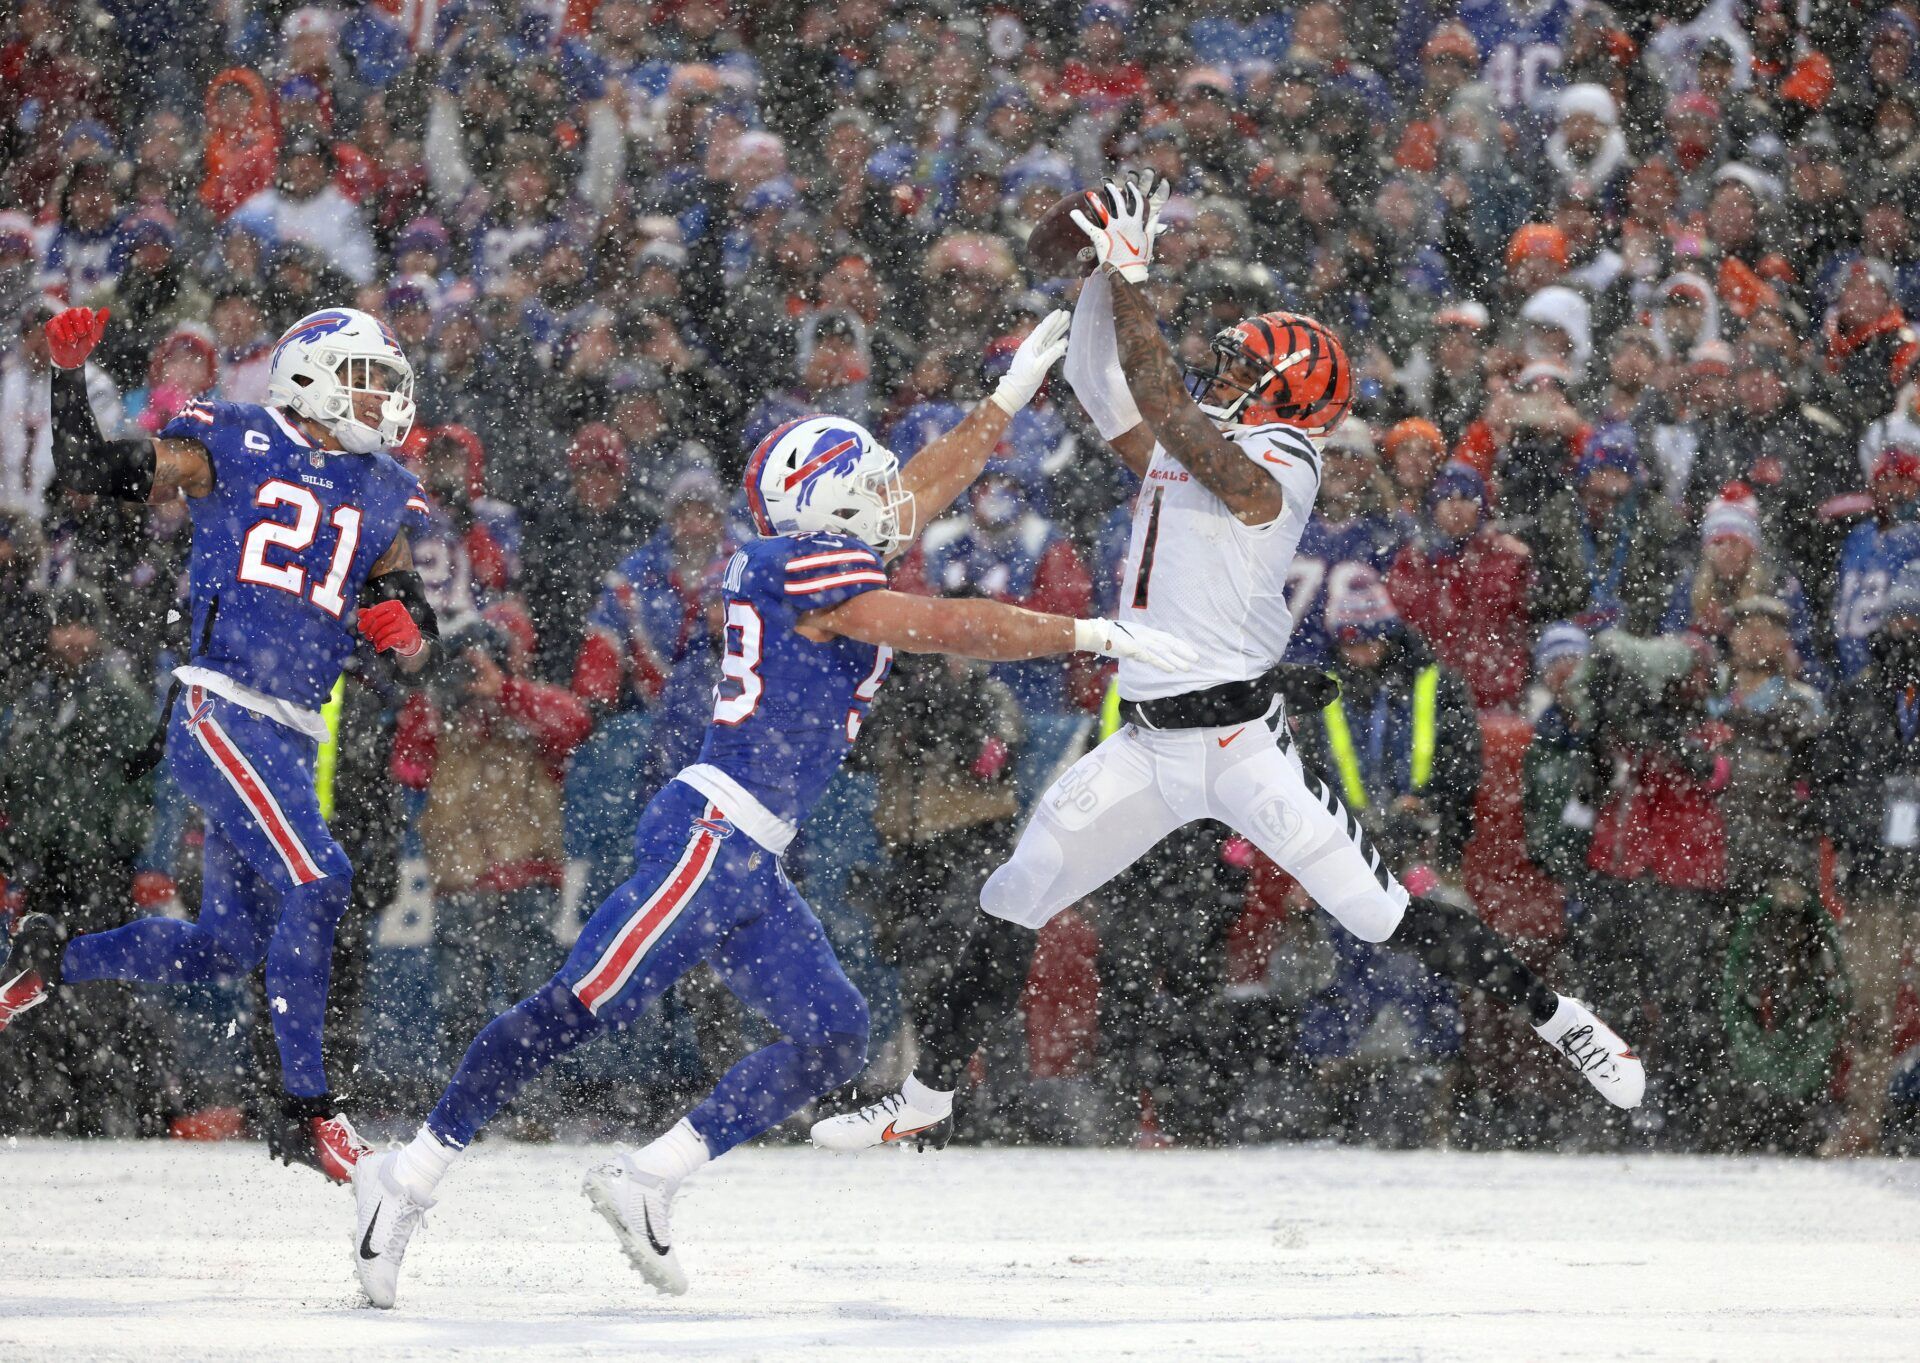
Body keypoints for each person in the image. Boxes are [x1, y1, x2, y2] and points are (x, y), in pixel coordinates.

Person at [348, 311, 1198, 1308]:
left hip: (751, 853)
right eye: (870, 486)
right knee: (576, 1008)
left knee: (834, 1032)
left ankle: (650, 1176)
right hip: (711, 835)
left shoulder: (810, 551)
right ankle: (402, 1177)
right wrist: (1088, 630)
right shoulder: (798, 566)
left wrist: (1004, 403)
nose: (895, 501)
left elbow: (925, 489)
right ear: (828, 496)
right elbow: (939, 622)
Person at [816, 173, 1643, 1155]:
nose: (1222, 371)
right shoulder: (1199, 440)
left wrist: (1129, 274)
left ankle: (1566, 1020)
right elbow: (1102, 385)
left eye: (1243, 364)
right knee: (1013, 894)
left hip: (1243, 744)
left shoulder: (1285, 460)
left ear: (1288, 390)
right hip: (1148, 743)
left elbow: (1162, 397)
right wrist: (1094, 275)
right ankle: (928, 1094)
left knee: (1385, 917)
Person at [0, 304, 438, 1182]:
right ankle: (309, 1109)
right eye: (365, 377)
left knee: (224, 947)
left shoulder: (382, 485)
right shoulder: (231, 435)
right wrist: (67, 379)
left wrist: (404, 628)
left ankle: (50, 958)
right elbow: (93, 469)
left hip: (290, 728)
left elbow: (411, 614)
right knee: (322, 876)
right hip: (221, 707)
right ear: (309, 373)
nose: (381, 397)